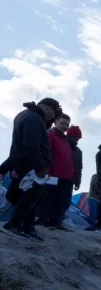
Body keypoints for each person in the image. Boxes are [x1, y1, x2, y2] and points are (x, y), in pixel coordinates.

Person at [3, 99, 59, 240]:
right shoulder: (34, 119)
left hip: (23, 163)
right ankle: (14, 225)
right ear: (47, 108)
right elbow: (31, 145)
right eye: (53, 113)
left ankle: (27, 227)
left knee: (36, 196)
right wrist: (40, 167)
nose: (52, 118)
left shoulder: (25, 115)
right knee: (32, 196)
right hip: (30, 166)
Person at [38, 113, 74, 230]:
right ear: (56, 122)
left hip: (66, 176)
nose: (65, 126)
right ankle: (43, 220)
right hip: (53, 175)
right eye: (62, 123)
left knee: (64, 201)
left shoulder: (66, 140)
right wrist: (46, 171)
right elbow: (46, 154)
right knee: (49, 199)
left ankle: (56, 221)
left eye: (67, 125)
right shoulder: (50, 135)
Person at [67, 125, 83, 193]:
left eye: (78, 137)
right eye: (75, 137)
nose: (77, 139)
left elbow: (79, 167)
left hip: (70, 181)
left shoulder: (78, 151)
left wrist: (77, 182)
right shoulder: (62, 146)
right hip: (57, 178)